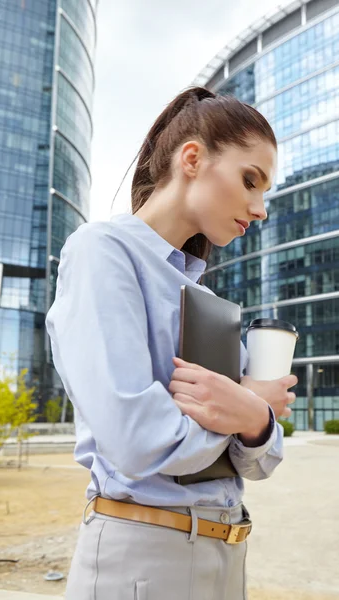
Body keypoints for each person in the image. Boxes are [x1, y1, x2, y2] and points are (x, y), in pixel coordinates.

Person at [46, 86, 297, 600]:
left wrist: (250, 418)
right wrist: (244, 409)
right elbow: (136, 440)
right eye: (251, 181)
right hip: (144, 553)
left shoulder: (207, 301)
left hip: (226, 554)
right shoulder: (103, 252)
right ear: (192, 158)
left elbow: (263, 460)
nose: (260, 208)